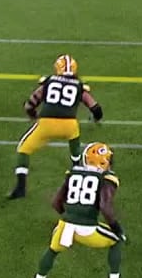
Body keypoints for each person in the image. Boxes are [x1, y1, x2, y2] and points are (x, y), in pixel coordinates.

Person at [29, 142, 131, 278]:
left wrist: (70, 215)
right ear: (102, 162)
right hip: (87, 229)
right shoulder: (107, 178)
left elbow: (56, 202)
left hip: (66, 225)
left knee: (52, 250)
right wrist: (117, 229)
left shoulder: (72, 172)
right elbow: (105, 207)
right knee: (116, 241)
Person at [10, 54, 104, 200]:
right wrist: (96, 119)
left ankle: (20, 187)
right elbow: (95, 107)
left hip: (47, 124)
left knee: (24, 149)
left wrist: (33, 114)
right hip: (69, 125)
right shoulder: (79, 85)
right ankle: (76, 168)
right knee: (75, 147)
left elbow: (31, 103)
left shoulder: (49, 81)